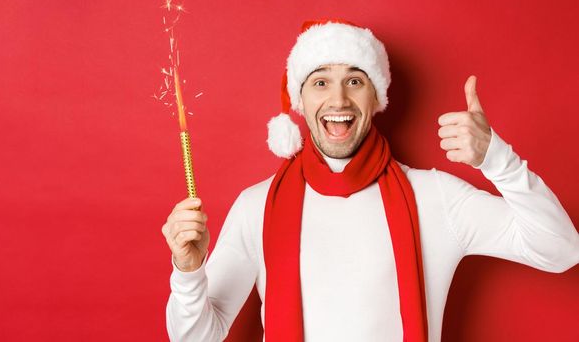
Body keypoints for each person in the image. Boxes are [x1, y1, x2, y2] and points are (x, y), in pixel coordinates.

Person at [161, 19, 579, 342]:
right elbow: (197, 335)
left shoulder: (437, 197)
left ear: (376, 98)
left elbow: (561, 250)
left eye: (355, 81)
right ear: (300, 103)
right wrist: (187, 271)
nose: (338, 100)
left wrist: (496, 158)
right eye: (320, 81)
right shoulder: (257, 206)